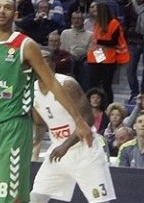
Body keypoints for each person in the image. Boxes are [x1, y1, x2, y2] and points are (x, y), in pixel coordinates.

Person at [0, 0, 93, 203]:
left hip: (15, 127)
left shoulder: (25, 45)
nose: (2, 11)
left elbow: (53, 84)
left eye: (8, 8)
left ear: (15, 15)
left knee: (12, 195)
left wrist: (79, 121)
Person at [31, 49, 116, 203]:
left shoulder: (67, 84)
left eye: (46, 60)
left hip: (84, 150)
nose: (42, 63)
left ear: (54, 65)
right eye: (39, 59)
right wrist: (34, 142)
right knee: (36, 197)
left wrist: (65, 145)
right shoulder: (32, 90)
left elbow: (88, 119)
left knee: (100, 201)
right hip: (57, 151)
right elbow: (40, 123)